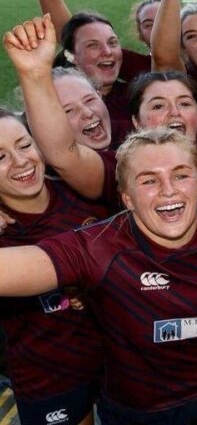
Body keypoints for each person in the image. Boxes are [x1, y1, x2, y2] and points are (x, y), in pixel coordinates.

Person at [0, 26, 197, 423]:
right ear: (123, 195)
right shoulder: (98, 246)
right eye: (148, 180)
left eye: (180, 175)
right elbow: (64, 155)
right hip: (142, 409)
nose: (168, 191)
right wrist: (36, 74)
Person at [8, 22, 197, 217]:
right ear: (135, 122)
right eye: (158, 105)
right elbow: (64, 155)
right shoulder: (122, 168)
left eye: (185, 103)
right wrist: (35, 74)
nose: (174, 113)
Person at [0, 108, 107, 425]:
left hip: (122, 364)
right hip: (49, 382)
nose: (21, 161)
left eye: (23, 144)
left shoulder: (84, 194)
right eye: (0, 156)